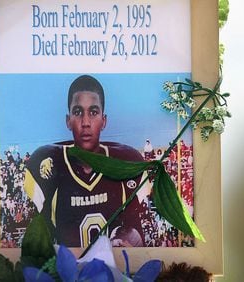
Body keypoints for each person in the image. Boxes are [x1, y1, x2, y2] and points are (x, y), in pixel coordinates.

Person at [24, 74, 150, 248]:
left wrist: (128, 238)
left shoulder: (128, 162)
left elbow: (135, 233)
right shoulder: (48, 163)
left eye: (93, 112)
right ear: (68, 121)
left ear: (104, 121)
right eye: (77, 112)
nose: (85, 122)